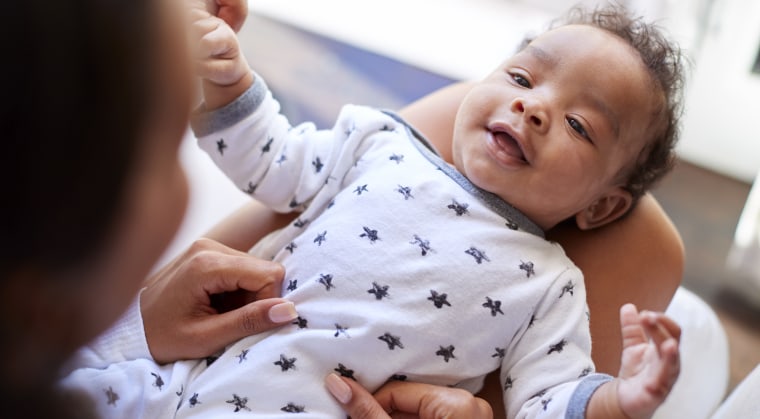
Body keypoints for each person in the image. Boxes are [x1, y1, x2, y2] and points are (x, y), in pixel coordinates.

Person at [61, 3, 684, 418]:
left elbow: (549, 399)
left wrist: (622, 401)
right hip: (178, 379)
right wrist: (230, 81)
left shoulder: (552, 286)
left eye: (578, 123)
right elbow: (275, 164)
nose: (534, 108)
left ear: (602, 207)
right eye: (521, 78)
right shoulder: (380, 144)